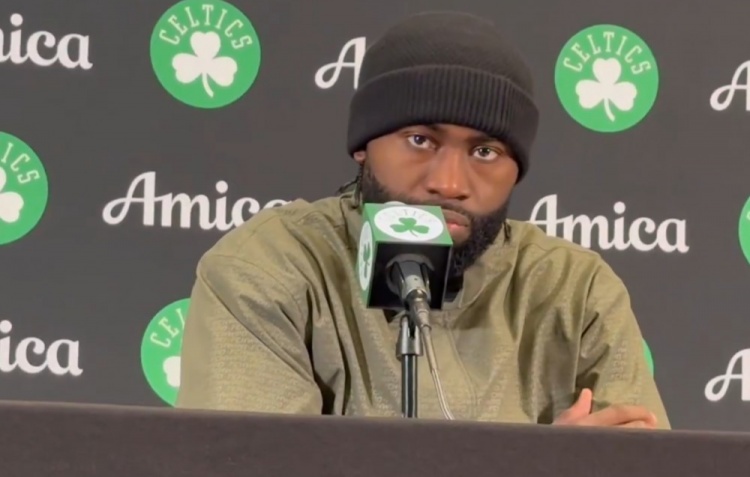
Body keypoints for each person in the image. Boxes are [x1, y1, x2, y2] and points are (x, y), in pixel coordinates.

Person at [176, 11, 670, 429]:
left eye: (485, 151)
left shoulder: (577, 290)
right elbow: (247, 462)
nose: (448, 183)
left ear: (517, 170)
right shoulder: (266, 267)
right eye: (420, 140)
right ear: (363, 146)